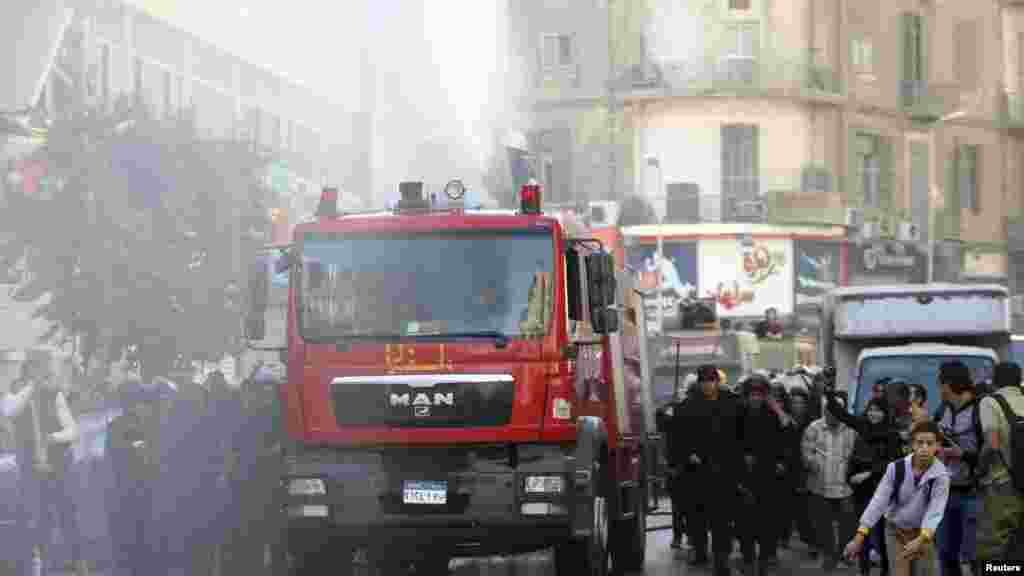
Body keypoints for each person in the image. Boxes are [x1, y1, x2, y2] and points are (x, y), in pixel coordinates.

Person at [1, 349, 84, 576]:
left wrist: (54, 438)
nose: (50, 372)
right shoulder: (13, 393)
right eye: (45, 367)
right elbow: (9, 410)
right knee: (38, 521)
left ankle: (76, 566)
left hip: (58, 465)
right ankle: (42, 568)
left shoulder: (53, 393)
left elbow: (73, 430)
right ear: (32, 369)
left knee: (68, 516)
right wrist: (32, 387)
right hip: (31, 468)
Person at [843, 420, 951, 576]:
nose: (924, 448)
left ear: (938, 446)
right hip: (895, 532)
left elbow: (935, 510)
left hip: (924, 534)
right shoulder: (896, 468)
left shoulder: (941, 475)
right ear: (912, 444)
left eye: (930, 443)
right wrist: (859, 537)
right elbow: (878, 502)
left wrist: (921, 539)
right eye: (920, 442)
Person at [671, 364, 744, 576]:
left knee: (722, 518)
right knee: (697, 517)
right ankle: (700, 550)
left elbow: (740, 433)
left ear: (717, 382)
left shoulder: (732, 403)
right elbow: (677, 437)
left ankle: (722, 559)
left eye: (711, 381)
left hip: (724, 470)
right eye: (704, 381)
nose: (708, 385)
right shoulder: (686, 406)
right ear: (699, 383)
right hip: (697, 472)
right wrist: (687, 455)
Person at [841, 397, 903, 576]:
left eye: (878, 410)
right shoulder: (862, 431)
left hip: (883, 492)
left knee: (883, 537)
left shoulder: (892, 434)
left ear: (885, 413)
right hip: (861, 491)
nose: (873, 414)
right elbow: (854, 458)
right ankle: (864, 571)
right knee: (863, 535)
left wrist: (868, 474)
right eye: (871, 409)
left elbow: (893, 463)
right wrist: (849, 477)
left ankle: (886, 570)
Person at [932, 361, 982, 576]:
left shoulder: (980, 408)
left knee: (972, 557)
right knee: (945, 555)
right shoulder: (943, 409)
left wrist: (963, 455)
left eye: (939, 382)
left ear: (948, 384)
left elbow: (993, 452)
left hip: (973, 494)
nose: (938, 388)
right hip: (945, 493)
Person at [105, 379, 159, 576]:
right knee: (132, 551)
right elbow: (117, 455)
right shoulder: (119, 426)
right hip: (129, 495)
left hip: (139, 495)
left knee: (137, 550)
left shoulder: (145, 423)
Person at [974, 361, 1024, 568]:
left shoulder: (990, 402)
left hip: (1003, 483)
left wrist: (979, 468)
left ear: (995, 381)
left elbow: (992, 444)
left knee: (994, 547)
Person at [803, 390, 859, 572]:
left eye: (836, 413)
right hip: (820, 485)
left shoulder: (852, 430)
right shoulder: (814, 428)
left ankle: (844, 553)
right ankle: (828, 554)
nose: (831, 416)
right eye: (828, 412)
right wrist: (812, 462)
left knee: (848, 523)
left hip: (845, 487)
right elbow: (806, 453)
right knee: (823, 524)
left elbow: (857, 455)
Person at [737, 374, 787, 574]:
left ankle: (765, 557)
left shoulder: (773, 414)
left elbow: (784, 436)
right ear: (747, 396)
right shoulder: (737, 414)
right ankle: (747, 558)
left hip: (768, 476)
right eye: (752, 394)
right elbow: (729, 442)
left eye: (759, 394)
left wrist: (779, 462)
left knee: (768, 521)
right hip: (744, 477)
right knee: (744, 522)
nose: (755, 398)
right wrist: (742, 459)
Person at [664, 374, 694, 551]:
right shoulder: (673, 409)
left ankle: (691, 535)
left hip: (692, 465)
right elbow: (664, 421)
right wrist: (672, 405)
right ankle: (678, 536)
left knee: (692, 505)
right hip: (676, 464)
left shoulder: (697, 408)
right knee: (677, 505)